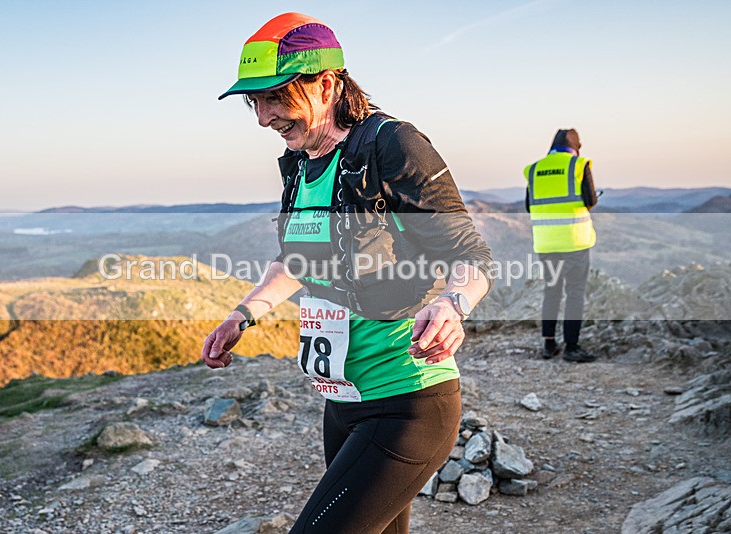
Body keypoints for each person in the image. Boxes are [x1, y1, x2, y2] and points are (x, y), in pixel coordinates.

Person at [205, 12, 492, 533]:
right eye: (254, 102)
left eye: (275, 97)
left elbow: (470, 254)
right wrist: (242, 315)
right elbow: (297, 261)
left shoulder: (392, 144)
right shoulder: (299, 162)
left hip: (406, 401)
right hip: (341, 401)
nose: (264, 117)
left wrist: (453, 304)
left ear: (326, 84)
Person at [523, 129, 598, 363]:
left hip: (546, 242)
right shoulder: (579, 165)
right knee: (574, 292)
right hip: (575, 240)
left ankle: (548, 344)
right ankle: (572, 347)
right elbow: (590, 200)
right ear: (576, 147)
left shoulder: (534, 169)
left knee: (551, 290)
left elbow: (529, 206)